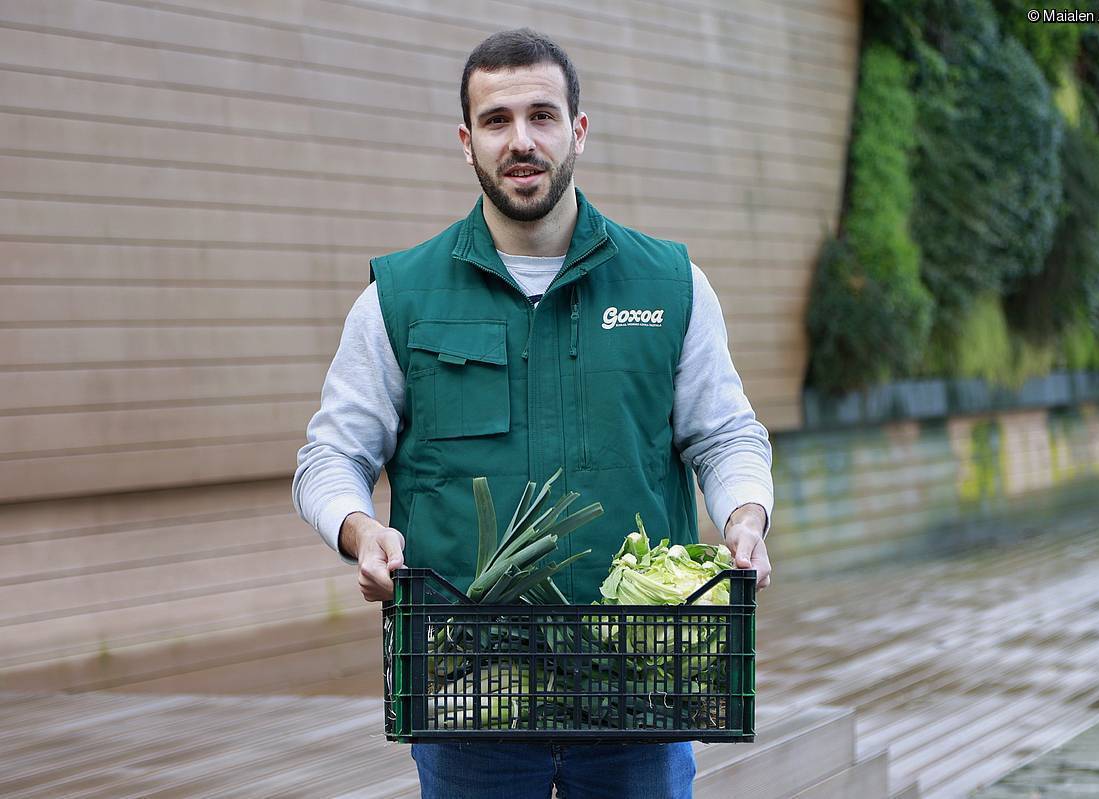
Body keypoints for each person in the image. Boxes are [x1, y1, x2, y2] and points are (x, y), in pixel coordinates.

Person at [293, 27, 773, 799]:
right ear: (466, 140)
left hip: (638, 684)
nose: (522, 140)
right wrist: (359, 529)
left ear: (578, 129)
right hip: (470, 689)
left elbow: (725, 435)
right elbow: (331, 456)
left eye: (543, 115)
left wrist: (745, 516)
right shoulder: (400, 296)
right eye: (497, 120)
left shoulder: (669, 283)